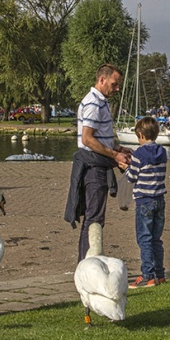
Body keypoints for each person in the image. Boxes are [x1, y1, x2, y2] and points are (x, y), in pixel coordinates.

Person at [64, 64, 132, 262]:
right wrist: (114, 155)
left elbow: (98, 137)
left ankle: (88, 262)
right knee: (94, 218)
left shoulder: (100, 102)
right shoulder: (93, 102)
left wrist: (117, 148)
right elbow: (87, 139)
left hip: (97, 164)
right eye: (114, 84)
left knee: (96, 217)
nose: (117, 88)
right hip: (93, 168)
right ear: (102, 80)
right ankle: (86, 264)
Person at [124, 117, 167, 288]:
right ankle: (160, 273)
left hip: (144, 200)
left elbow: (132, 177)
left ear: (140, 135)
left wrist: (125, 168)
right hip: (159, 199)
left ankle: (147, 275)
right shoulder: (162, 151)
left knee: (144, 238)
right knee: (156, 238)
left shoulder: (139, 154)